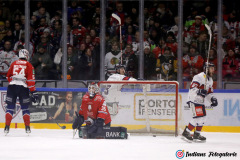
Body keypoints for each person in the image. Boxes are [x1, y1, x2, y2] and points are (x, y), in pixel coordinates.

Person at [4, 49, 38, 134]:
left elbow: (8, 76)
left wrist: (14, 81)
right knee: (25, 108)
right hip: (23, 88)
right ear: (26, 55)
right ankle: (27, 127)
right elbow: (31, 80)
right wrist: (33, 91)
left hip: (12, 86)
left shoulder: (14, 63)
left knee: (10, 107)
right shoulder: (29, 65)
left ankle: (7, 127)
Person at [181, 62, 218, 142]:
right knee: (197, 118)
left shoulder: (210, 80)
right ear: (206, 69)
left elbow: (209, 92)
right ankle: (186, 132)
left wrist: (212, 99)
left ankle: (196, 134)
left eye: (213, 68)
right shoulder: (199, 77)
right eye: (211, 68)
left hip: (201, 101)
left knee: (203, 118)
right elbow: (193, 88)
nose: (213, 70)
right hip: (194, 99)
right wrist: (200, 91)